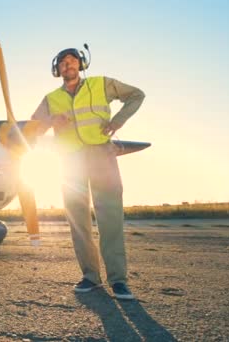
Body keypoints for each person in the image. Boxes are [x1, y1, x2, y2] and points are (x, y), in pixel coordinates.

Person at [31, 47, 145, 300]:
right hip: (69, 161)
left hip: (101, 155)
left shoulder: (100, 84)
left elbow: (137, 95)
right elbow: (32, 128)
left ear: (81, 64)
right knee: (78, 222)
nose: (67, 65)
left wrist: (118, 121)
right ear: (57, 69)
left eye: (72, 61)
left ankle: (118, 281)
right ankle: (91, 277)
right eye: (62, 63)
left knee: (110, 219)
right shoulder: (50, 99)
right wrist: (50, 122)